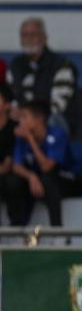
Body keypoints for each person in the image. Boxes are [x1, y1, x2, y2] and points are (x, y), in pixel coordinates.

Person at [8, 100, 82, 227]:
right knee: (15, 181)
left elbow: (47, 166)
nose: (21, 122)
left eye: (25, 117)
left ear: (39, 119)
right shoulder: (22, 138)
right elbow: (16, 166)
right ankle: (17, 229)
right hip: (40, 181)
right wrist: (31, 176)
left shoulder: (57, 134)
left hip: (69, 180)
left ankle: (58, 232)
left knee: (48, 178)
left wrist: (31, 139)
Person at [5, 17, 77, 132]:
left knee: (53, 119)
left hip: (48, 120)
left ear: (44, 38)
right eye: (24, 35)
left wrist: (29, 117)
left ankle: (51, 149)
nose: (29, 39)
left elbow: (58, 106)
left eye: (34, 35)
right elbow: (9, 99)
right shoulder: (15, 65)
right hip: (20, 119)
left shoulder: (61, 66)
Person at [0, 84, 16, 222]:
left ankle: (16, 229)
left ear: (7, 105)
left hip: (11, 176)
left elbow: (8, 166)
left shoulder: (14, 129)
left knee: (13, 182)